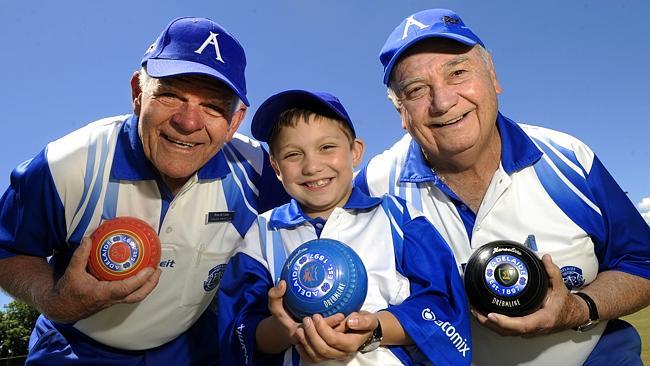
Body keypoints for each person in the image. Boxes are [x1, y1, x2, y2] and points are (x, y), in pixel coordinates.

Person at [354, 8, 650, 366]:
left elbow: (641, 263)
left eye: (458, 73)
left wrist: (577, 308)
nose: (444, 101)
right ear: (401, 112)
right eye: (416, 90)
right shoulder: (375, 184)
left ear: (492, 75)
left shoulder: (567, 157)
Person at [0, 16, 287, 365]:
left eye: (212, 106)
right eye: (170, 96)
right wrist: (52, 298)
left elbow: (327, 203)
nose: (188, 122)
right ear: (138, 93)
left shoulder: (257, 170)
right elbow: (8, 250)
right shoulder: (69, 163)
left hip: (190, 347)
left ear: (235, 121)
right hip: (75, 348)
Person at [217, 89, 471, 365]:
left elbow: (444, 308)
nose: (312, 166)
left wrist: (373, 328)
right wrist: (286, 329)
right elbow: (237, 331)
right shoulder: (262, 234)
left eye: (327, 148)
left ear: (355, 152)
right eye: (293, 155)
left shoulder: (399, 217)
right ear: (276, 168)